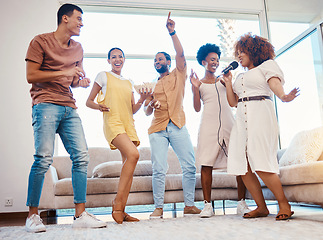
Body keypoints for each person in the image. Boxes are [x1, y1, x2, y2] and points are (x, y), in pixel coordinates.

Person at [25, 4, 107, 232]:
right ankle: (32, 216)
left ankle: (80, 214)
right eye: (79, 18)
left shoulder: (78, 48)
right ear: (65, 19)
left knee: (81, 157)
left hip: (69, 106)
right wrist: (65, 73)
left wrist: (79, 83)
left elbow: (72, 80)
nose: (82, 23)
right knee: (43, 158)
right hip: (45, 104)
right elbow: (31, 75)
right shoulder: (40, 41)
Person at [223, 33, 299, 220]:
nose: (239, 55)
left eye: (243, 51)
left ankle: (284, 204)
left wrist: (283, 96)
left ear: (254, 50)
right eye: (238, 52)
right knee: (243, 166)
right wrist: (227, 83)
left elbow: (274, 83)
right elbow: (233, 102)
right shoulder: (240, 75)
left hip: (260, 114)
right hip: (241, 119)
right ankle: (261, 207)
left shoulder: (267, 66)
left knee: (261, 161)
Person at [144, 12, 201, 219]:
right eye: (155, 60)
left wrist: (172, 32)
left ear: (168, 61)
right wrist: (150, 103)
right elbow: (147, 111)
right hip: (157, 129)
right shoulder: (153, 85)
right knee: (159, 169)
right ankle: (158, 207)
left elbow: (181, 54)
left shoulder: (179, 74)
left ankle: (189, 205)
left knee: (189, 165)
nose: (157, 61)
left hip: (177, 125)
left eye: (160, 59)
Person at [86, 47, 151, 224]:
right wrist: (99, 106)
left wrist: (142, 100)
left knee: (128, 166)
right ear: (108, 60)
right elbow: (88, 101)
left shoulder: (129, 81)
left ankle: (122, 210)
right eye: (113, 57)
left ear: (124, 59)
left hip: (128, 124)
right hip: (113, 123)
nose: (117, 59)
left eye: (120, 56)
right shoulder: (103, 75)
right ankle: (116, 203)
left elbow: (132, 109)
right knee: (133, 155)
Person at [190, 43, 250, 218]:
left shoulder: (224, 80)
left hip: (229, 123)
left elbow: (236, 100)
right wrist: (194, 89)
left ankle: (241, 203)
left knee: (239, 160)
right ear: (203, 62)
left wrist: (229, 82)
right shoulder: (198, 83)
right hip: (208, 125)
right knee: (206, 163)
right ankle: (207, 206)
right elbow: (195, 108)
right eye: (211, 59)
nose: (215, 62)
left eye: (217, 59)